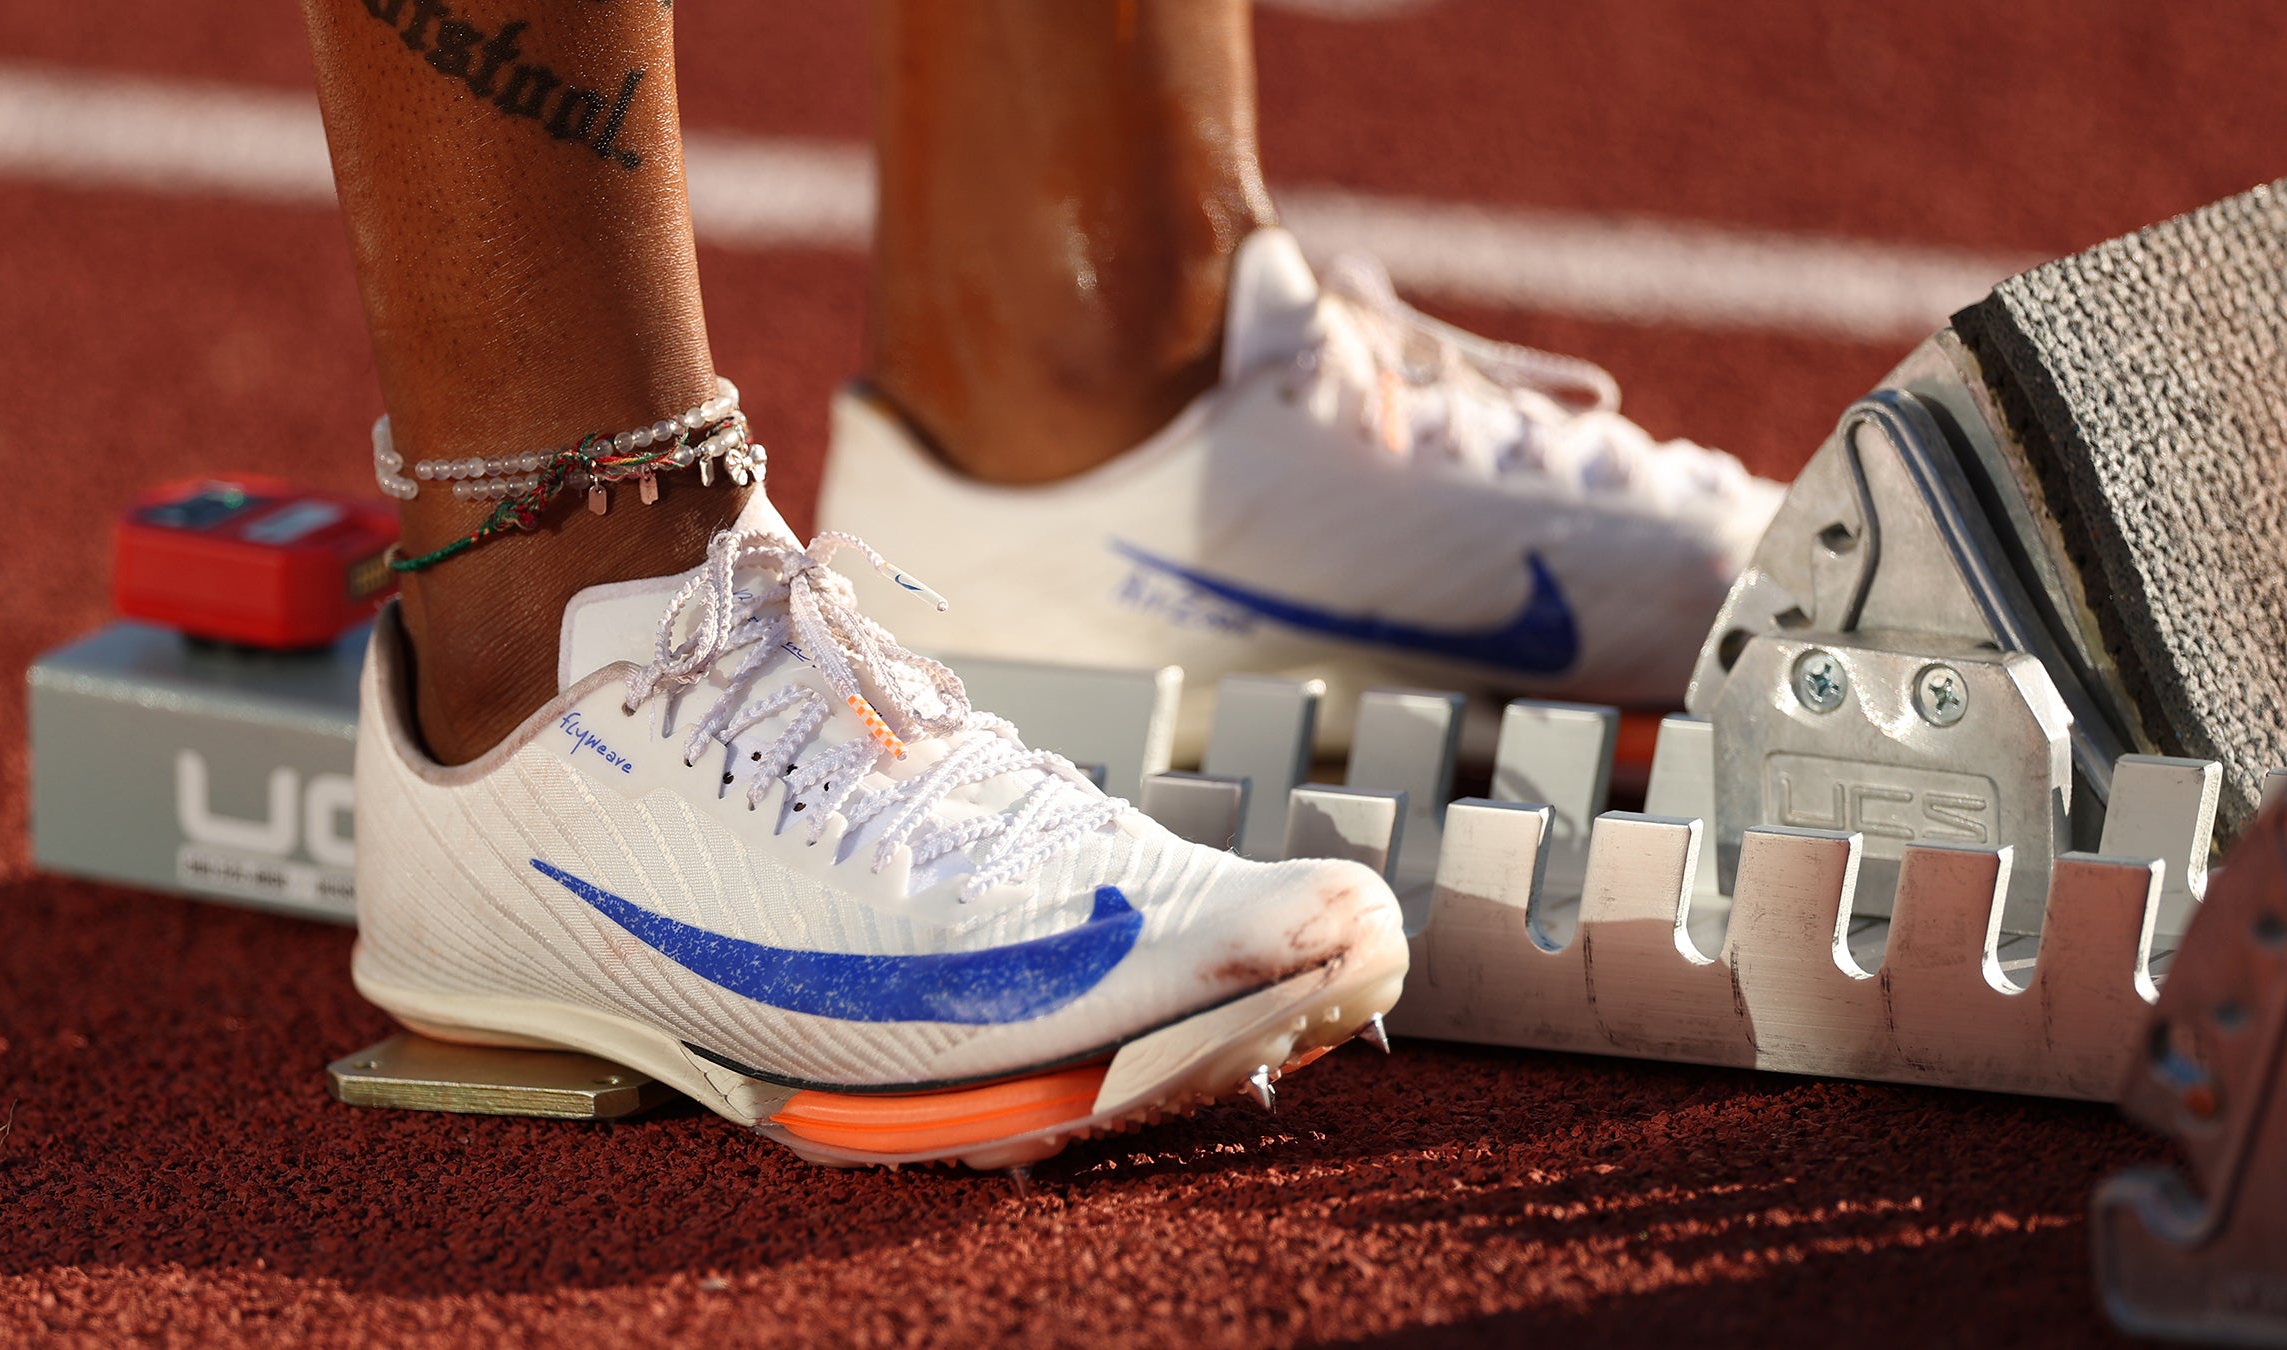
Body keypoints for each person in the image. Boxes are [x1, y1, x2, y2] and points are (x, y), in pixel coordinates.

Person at [306, 0, 1776, 1170]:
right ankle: (553, 615)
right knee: (567, 529)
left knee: (1097, 330)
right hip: (543, 628)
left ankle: (1096, 384)